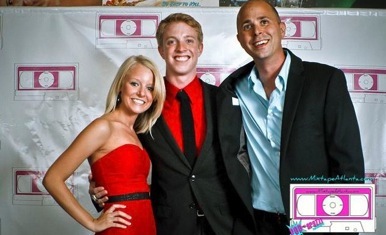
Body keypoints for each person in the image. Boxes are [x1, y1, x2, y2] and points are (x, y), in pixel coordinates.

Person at [90, 13, 256, 235]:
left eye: (189, 40)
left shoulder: (226, 101)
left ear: (200, 48)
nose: (180, 48)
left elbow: (245, 159)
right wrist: (101, 187)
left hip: (223, 224)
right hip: (167, 225)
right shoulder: (143, 107)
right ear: (160, 50)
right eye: (171, 41)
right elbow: (116, 154)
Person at [216, 0, 365, 235]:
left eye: (264, 21)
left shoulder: (325, 80)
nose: (257, 31)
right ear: (240, 40)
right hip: (258, 222)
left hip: (314, 220)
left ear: (282, 29)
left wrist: (344, 228)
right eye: (247, 26)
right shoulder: (232, 90)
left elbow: (349, 164)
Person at [43, 55, 166, 235]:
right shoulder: (103, 127)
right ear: (120, 86)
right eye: (134, 84)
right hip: (120, 229)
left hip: (146, 224)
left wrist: (97, 191)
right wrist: (92, 223)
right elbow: (52, 178)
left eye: (149, 88)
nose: (142, 93)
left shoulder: (138, 134)